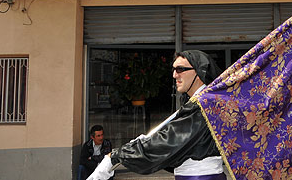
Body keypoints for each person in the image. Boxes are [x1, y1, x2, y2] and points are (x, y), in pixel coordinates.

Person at [87, 50, 224, 180]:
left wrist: (116, 156)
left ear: (200, 71)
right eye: (174, 69)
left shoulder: (202, 106)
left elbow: (167, 143)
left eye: (180, 69)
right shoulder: (200, 103)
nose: (174, 75)